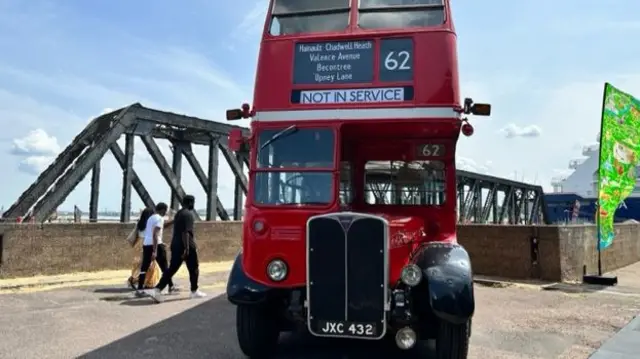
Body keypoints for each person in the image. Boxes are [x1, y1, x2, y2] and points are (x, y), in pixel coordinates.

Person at [147, 195, 206, 302]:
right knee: (194, 268)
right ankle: (194, 291)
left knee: (172, 269)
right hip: (186, 245)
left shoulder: (179, 213)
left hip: (175, 244)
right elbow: (186, 232)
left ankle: (157, 289)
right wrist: (187, 249)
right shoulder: (188, 214)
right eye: (193, 202)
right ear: (190, 203)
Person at [136, 202, 177, 297]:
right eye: (165, 211)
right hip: (156, 245)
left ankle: (140, 289)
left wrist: (173, 221)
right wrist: (155, 251)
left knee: (144, 267)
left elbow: (162, 226)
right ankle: (171, 286)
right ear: (163, 210)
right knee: (165, 267)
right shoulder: (159, 218)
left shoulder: (151, 218)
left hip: (146, 244)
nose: (165, 213)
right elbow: (155, 234)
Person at [128, 208, 159, 290]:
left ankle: (134, 278)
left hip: (139, 244)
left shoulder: (139, 223)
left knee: (138, 264)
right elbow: (154, 235)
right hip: (147, 243)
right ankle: (149, 282)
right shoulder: (151, 223)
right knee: (151, 264)